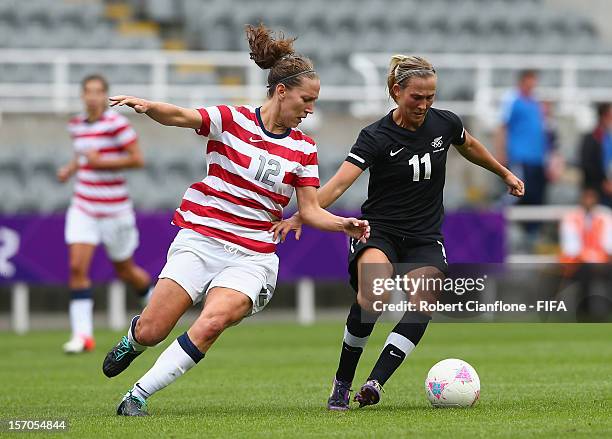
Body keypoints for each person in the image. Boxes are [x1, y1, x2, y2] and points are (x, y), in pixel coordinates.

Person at [101, 23, 370, 417]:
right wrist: (148, 105)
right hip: (202, 238)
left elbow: (309, 209)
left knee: (212, 323)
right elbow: (180, 115)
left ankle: (138, 395)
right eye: (306, 100)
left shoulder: (304, 147)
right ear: (281, 91)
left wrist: (342, 223)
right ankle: (134, 339)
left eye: (314, 102)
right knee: (153, 330)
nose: (310, 109)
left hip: (252, 254)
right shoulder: (231, 119)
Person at [272, 55, 524, 410]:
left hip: (425, 238)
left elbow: (470, 146)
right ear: (396, 91)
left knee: (423, 303)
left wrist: (504, 173)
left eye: (430, 97)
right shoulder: (375, 136)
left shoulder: (445, 123)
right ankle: (342, 383)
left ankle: (375, 382)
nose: (424, 105)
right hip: (380, 232)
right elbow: (340, 183)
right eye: (416, 97)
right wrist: (304, 214)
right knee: (373, 298)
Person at [57, 74, 153, 354]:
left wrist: (104, 162)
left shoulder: (117, 124)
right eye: (88, 91)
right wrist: (70, 169)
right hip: (84, 206)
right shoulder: (76, 124)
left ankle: (153, 305)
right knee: (77, 267)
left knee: (125, 270)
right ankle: (82, 336)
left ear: (105, 95)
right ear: (82, 95)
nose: (93, 97)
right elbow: (82, 155)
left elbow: (137, 159)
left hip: (115, 209)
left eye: (98, 92)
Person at [559, 188, 612, 320]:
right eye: (586, 197)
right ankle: (585, 312)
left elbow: (608, 243)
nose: (589, 201)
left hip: (602, 262)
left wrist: (596, 257)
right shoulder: (571, 217)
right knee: (585, 272)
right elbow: (571, 247)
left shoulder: (605, 216)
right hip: (580, 263)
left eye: (591, 197)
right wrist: (590, 257)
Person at [579, 103, 612, 208]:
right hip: (597, 190)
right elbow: (587, 165)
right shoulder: (591, 138)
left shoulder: (608, 138)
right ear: (603, 116)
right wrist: (603, 182)